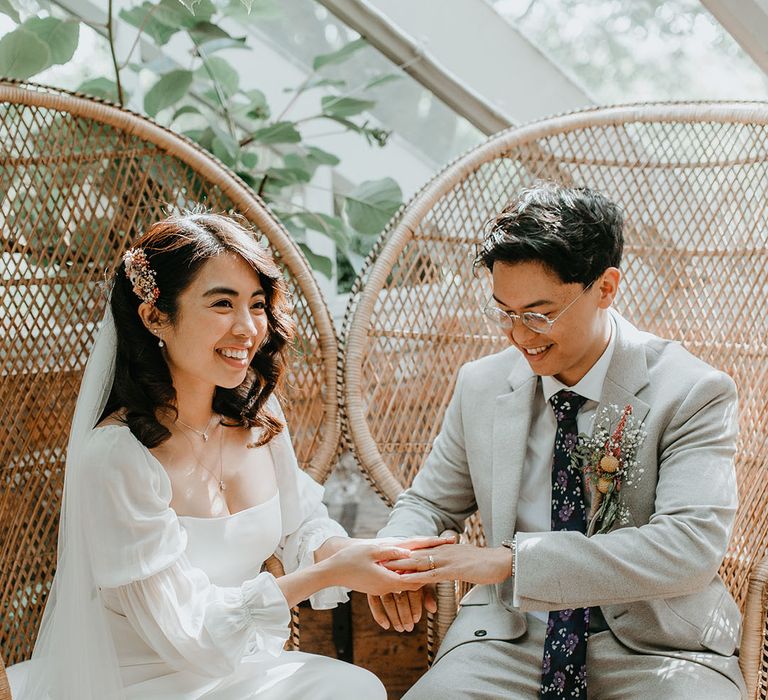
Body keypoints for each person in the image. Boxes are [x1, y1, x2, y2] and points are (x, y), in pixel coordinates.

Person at [7, 212, 442, 700]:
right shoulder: (116, 457)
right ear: (154, 316)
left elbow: (301, 527)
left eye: (257, 305)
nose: (248, 328)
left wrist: (379, 561)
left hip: (243, 670)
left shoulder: (256, 416)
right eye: (221, 304)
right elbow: (188, 635)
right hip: (140, 683)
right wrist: (334, 573)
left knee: (357, 688)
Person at [368, 184, 747, 699]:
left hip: (659, 648)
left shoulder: (692, 392)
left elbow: (688, 547)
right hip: (507, 638)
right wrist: (395, 561)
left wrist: (511, 562)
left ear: (606, 287)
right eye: (505, 312)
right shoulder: (480, 384)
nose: (520, 335)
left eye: (540, 313)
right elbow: (430, 503)